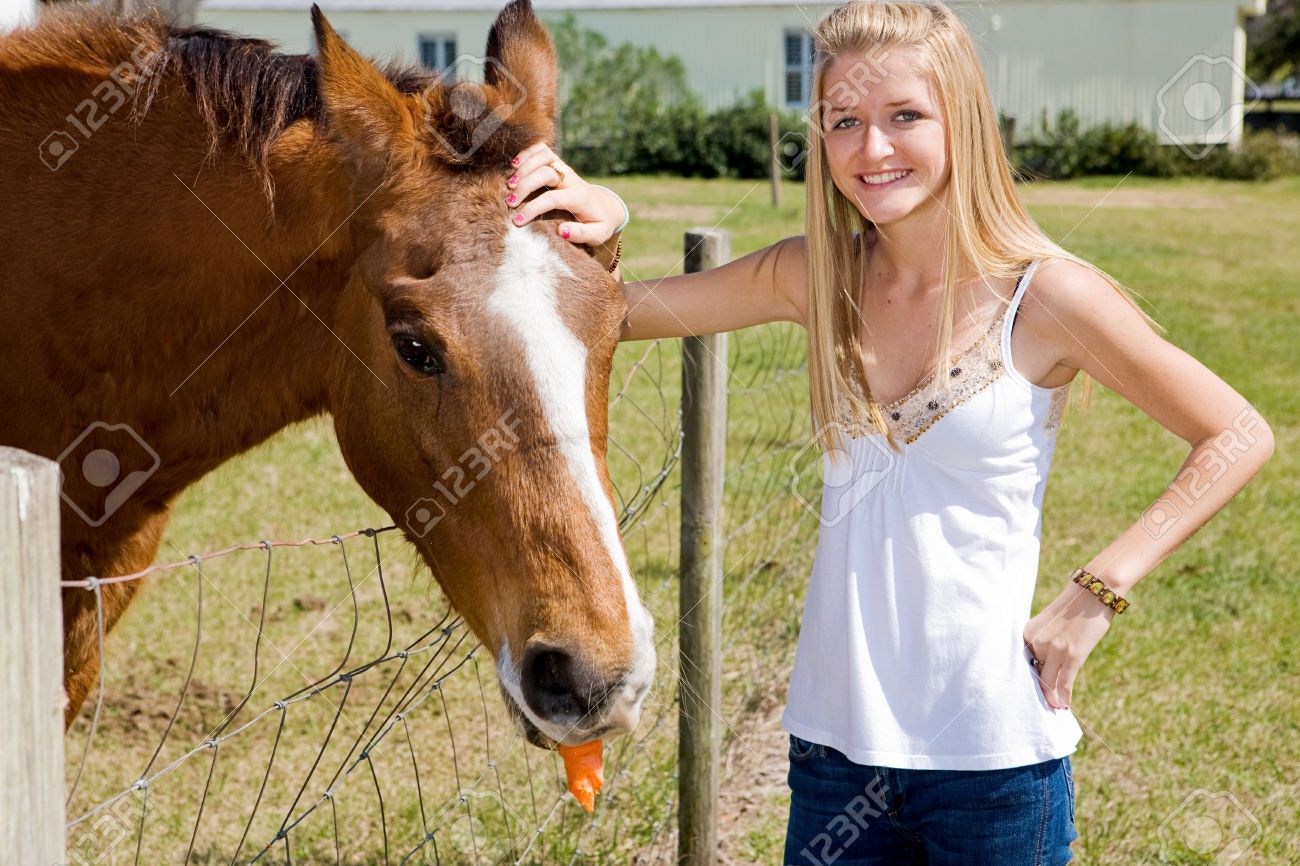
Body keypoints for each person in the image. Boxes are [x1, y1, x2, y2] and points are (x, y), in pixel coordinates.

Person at [502, 2, 1274, 863]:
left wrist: (1099, 591)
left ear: (963, 121)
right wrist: (607, 218)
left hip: (993, 770)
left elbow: (1236, 433)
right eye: (845, 122)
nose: (873, 149)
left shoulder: (1047, 299)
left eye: (905, 116)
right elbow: (607, 319)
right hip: (834, 760)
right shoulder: (812, 276)